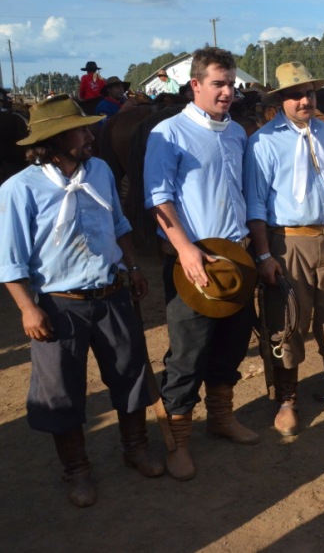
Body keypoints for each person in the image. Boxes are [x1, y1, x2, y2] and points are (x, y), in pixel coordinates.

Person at [0, 95, 161, 507]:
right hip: (58, 304)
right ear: (55, 139)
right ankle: (77, 470)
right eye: (82, 130)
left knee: (130, 372)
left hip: (110, 292)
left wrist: (132, 267)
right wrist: (27, 307)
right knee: (61, 390)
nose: (91, 136)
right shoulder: (19, 190)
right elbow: (10, 258)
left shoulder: (101, 171)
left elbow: (117, 222)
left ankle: (135, 447)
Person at [144, 46, 260, 480]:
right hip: (192, 260)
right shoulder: (168, 133)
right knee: (187, 353)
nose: (228, 92)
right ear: (195, 85)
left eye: (231, 84)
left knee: (231, 343)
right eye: (218, 84)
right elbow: (158, 198)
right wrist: (186, 249)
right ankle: (178, 441)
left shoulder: (235, 133)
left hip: (235, 257)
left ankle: (222, 417)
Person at [244, 63, 324, 436]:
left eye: (309, 93)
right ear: (281, 100)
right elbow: (255, 204)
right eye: (295, 94)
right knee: (288, 320)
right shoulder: (264, 142)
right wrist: (265, 255)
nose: (304, 100)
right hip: (288, 241)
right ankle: (287, 400)